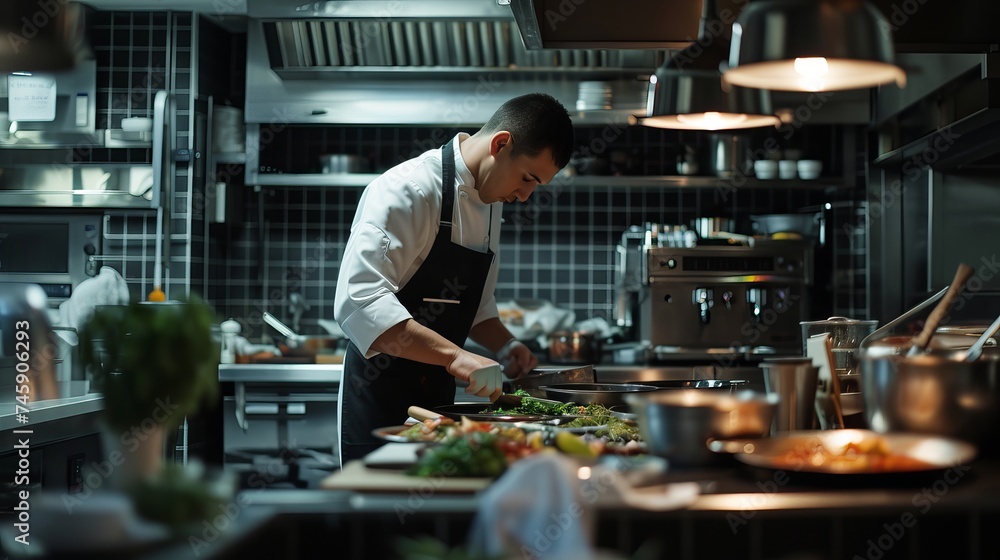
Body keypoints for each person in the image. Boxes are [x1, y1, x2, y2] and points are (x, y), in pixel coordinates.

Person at [334, 93, 575, 465]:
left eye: (536, 185)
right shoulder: (407, 189)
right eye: (527, 178)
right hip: (379, 397)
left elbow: (472, 306)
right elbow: (361, 306)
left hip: (439, 401)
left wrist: (507, 346)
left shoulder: (492, 202)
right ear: (500, 144)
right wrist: (456, 356)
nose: (526, 196)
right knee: (380, 516)